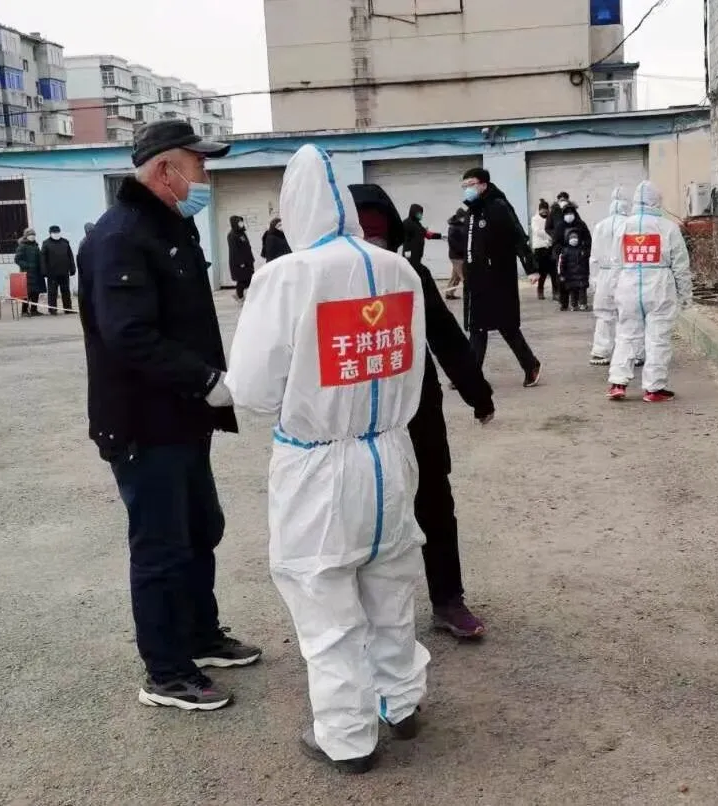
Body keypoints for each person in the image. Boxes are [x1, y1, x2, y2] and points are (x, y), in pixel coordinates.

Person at [225, 145, 429, 774]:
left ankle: (347, 737)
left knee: (325, 601)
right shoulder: (399, 269)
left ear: (294, 208)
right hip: (390, 452)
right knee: (390, 587)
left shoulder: (287, 276)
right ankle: (402, 702)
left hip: (318, 465)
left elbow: (253, 389)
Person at [77, 119, 261, 713]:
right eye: (199, 164)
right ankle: (166, 672)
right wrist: (205, 380)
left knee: (200, 529)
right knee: (160, 547)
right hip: (143, 423)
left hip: (181, 418)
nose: (205, 176)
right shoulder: (121, 236)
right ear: (165, 170)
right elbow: (128, 334)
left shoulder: (170, 227)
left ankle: (200, 635)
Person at [349, 182, 494, 640]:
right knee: (358, 513)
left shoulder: (409, 275)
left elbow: (446, 337)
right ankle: (355, 617)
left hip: (415, 409)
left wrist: (478, 393)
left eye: (378, 234)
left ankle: (448, 600)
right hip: (353, 421)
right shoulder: (320, 283)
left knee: (433, 502)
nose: (371, 243)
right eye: (361, 233)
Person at [605, 181, 693, 402]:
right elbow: (680, 265)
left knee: (626, 334)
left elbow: (615, 262)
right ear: (657, 201)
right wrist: (685, 295)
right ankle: (654, 388)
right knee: (658, 338)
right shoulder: (668, 228)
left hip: (628, 285)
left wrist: (613, 291)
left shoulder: (623, 227)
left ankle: (618, 382)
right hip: (659, 287)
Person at [460, 167, 543, 388]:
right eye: (464, 186)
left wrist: (531, 268)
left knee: (507, 325)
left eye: (471, 184)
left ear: (483, 184)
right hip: (476, 278)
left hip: (497, 277)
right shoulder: (471, 211)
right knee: (477, 328)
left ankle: (531, 365)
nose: (467, 189)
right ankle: (471, 374)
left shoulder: (498, 207)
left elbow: (517, 236)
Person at [589, 187, 631, 365]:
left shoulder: (600, 226)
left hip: (604, 273)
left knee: (604, 314)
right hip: (626, 272)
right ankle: (631, 352)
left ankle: (601, 351)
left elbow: (594, 256)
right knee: (628, 314)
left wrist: (594, 279)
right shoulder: (630, 224)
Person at [556, 204, 592, 312]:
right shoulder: (560, 225)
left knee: (580, 284)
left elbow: (588, 239)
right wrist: (560, 252)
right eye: (567, 213)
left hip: (579, 256)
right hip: (564, 256)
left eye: (571, 213)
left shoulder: (581, 224)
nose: (569, 215)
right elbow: (556, 241)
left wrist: (585, 252)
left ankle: (580, 303)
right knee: (563, 282)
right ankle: (564, 303)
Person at [40, 225, 76, 315]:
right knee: (52, 292)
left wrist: (72, 268)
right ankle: (52, 309)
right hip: (52, 273)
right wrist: (44, 271)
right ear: (50, 233)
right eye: (54, 232)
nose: (56, 234)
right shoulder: (46, 243)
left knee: (66, 291)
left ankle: (68, 308)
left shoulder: (65, 242)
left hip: (64, 272)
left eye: (58, 232)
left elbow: (70, 256)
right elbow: (43, 259)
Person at [401, 203, 443, 270]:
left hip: (417, 254)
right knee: (413, 270)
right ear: (414, 212)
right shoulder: (407, 223)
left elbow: (427, 234)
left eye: (421, 213)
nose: (421, 215)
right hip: (410, 254)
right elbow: (424, 233)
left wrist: (441, 236)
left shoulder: (417, 224)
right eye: (419, 213)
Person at [14, 227, 44, 317]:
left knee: (36, 292)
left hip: (36, 273)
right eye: (30, 235)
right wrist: (27, 266)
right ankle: (24, 311)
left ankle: (34, 310)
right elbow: (17, 259)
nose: (32, 236)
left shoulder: (36, 246)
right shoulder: (22, 246)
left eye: (33, 235)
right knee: (27, 293)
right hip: (27, 273)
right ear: (26, 236)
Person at [530, 199, 557, 301]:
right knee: (542, 272)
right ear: (539, 210)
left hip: (550, 248)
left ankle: (555, 292)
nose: (544, 211)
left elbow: (554, 230)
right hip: (540, 248)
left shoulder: (551, 218)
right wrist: (549, 237)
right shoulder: (535, 219)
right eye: (543, 209)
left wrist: (550, 237)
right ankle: (540, 291)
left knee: (554, 272)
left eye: (546, 209)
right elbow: (537, 232)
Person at [226, 215, 256, 301]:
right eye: (239, 222)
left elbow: (247, 246)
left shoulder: (242, 233)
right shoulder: (232, 235)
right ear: (235, 223)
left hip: (247, 260)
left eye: (241, 221)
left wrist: (251, 258)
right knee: (242, 280)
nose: (241, 223)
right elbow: (234, 250)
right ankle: (240, 296)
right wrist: (240, 262)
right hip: (240, 262)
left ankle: (238, 294)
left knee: (248, 278)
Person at [445, 207, 468, 300]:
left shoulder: (461, 225)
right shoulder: (453, 227)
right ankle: (469, 294)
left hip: (458, 255)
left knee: (455, 276)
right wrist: (463, 250)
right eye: (463, 217)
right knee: (464, 276)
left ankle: (449, 293)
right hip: (456, 256)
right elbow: (453, 243)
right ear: (459, 217)